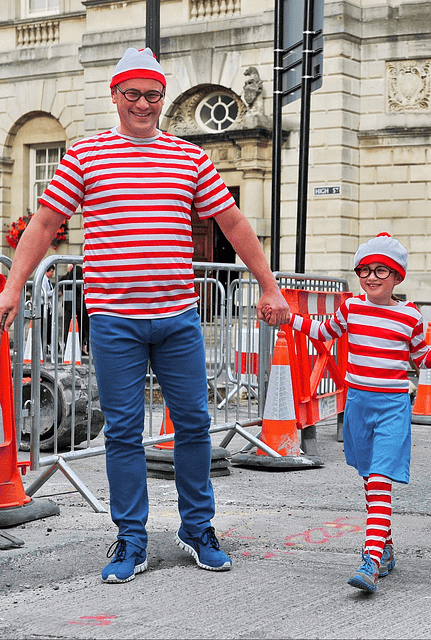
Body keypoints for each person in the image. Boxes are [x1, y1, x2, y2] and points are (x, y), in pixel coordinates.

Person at [0, 47, 289, 584]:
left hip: (178, 317)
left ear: (162, 98)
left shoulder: (190, 158)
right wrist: (14, 286)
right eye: (131, 94)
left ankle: (197, 527)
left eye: (152, 95)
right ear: (115, 96)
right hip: (113, 320)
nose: (142, 104)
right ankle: (131, 538)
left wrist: (269, 286)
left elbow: (233, 223)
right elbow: (42, 225)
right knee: (125, 433)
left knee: (196, 425)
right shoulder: (85, 157)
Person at [281, 233, 431, 593]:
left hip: (392, 408)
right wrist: (289, 317)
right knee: (370, 481)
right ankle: (387, 548)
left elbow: (420, 359)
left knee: (380, 481)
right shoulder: (350, 307)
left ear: (397, 277)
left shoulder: (410, 317)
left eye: (382, 270)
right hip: (358, 407)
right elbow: (322, 332)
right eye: (365, 270)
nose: (372, 277)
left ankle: (371, 559)